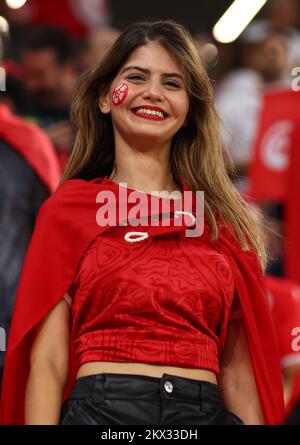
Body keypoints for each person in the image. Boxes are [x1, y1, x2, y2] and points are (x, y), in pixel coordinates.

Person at [0, 20, 284, 426]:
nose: (153, 92)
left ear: (189, 110)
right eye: (136, 77)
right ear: (104, 97)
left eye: (172, 83)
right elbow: (46, 362)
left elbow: (239, 375)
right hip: (101, 416)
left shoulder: (221, 221)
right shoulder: (68, 212)